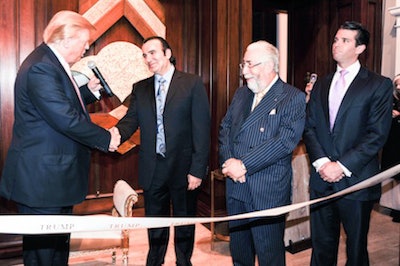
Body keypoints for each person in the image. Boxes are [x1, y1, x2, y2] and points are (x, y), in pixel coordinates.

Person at [0, 10, 121, 266]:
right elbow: (64, 118)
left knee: (56, 251)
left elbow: (57, 106)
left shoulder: (48, 62)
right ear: (66, 39)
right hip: (43, 182)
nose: (86, 49)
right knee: (44, 256)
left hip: (53, 181)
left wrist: (87, 93)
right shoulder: (42, 67)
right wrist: (105, 138)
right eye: (84, 42)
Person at [303, 21, 392, 266]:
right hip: (322, 182)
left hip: (357, 181)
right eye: (335, 39)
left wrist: (340, 166)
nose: (336, 45)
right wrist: (322, 163)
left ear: (360, 48)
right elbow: (309, 127)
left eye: (344, 40)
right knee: (321, 249)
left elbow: (377, 134)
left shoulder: (377, 84)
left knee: (355, 250)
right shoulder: (322, 83)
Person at [115, 36, 210, 266]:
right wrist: (113, 135)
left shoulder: (192, 83)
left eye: (153, 53)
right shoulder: (140, 88)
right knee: (155, 224)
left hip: (184, 168)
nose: (148, 59)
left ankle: (183, 262)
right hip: (153, 167)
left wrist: (197, 169)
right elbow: (130, 121)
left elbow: (202, 129)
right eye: (145, 55)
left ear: (167, 53)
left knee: (184, 222)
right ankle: (155, 262)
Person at [219, 40, 306, 265]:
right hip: (236, 187)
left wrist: (244, 164)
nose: (244, 71)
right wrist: (229, 161)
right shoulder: (241, 94)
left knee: (269, 256)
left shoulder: (292, 97)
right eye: (243, 65)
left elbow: (284, 142)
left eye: (250, 64)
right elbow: (225, 128)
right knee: (239, 253)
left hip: (266, 190)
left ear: (269, 65)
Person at [381, 74, 400, 222]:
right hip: (393, 143)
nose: (399, 87)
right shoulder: (391, 100)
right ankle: (396, 208)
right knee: (394, 176)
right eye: (397, 84)